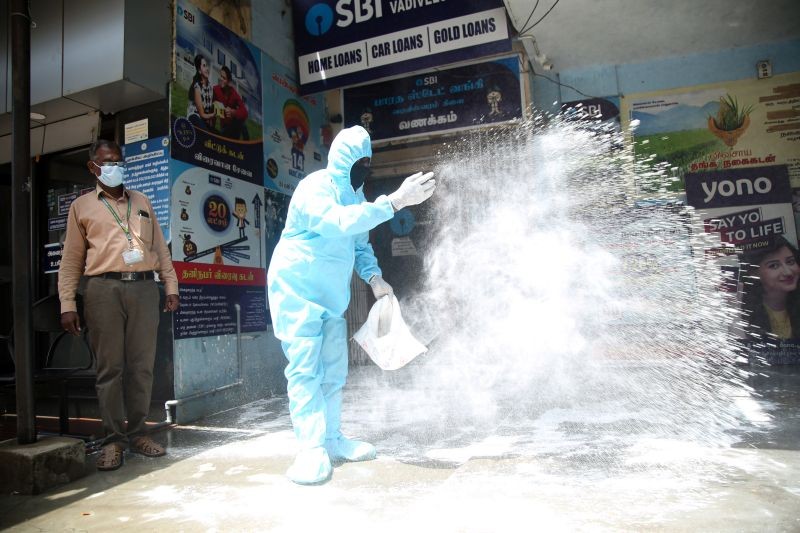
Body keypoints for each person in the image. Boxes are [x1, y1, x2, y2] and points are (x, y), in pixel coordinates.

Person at [267, 125, 436, 485]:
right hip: (296, 291)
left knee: (333, 369)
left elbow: (359, 244)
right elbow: (337, 223)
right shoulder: (315, 188)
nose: (363, 168)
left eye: (367, 162)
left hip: (330, 298)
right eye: (358, 161)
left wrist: (374, 279)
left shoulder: (357, 196)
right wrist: (393, 202)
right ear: (342, 160)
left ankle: (331, 438)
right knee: (305, 370)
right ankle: (310, 449)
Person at [59, 139, 180, 471]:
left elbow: (159, 248)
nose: (114, 167)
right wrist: (67, 302)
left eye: (118, 162)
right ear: (93, 167)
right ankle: (113, 440)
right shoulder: (81, 207)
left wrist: (169, 284)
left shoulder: (141, 202)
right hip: (102, 290)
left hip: (143, 290)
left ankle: (139, 433)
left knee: (142, 367)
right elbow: (71, 260)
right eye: (107, 162)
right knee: (110, 369)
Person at [739, 236, 800, 341]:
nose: (788, 272)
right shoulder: (744, 314)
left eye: (790, 262)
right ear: (754, 273)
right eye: (774, 266)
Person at [212, 65, 249, 139]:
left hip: (234, 125)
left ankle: (247, 146)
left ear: (229, 81)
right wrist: (211, 127)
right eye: (221, 76)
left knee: (242, 123)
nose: (221, 79)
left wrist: (233, 112)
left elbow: (245, 112)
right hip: (224, 127)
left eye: (224, 78)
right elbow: (213, 108)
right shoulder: (215, 90)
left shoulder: (233, 93)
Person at [187, 54, 216, 131]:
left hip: (204, 119)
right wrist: (213, 115)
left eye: (207, 65)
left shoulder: (210, 88)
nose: (207, 68)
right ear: (199, 70)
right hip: (195, 116)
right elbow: (202, 114)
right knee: (205, 131)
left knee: (215, 133)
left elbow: (209, 110)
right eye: (204, 66)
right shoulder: (197, 87)